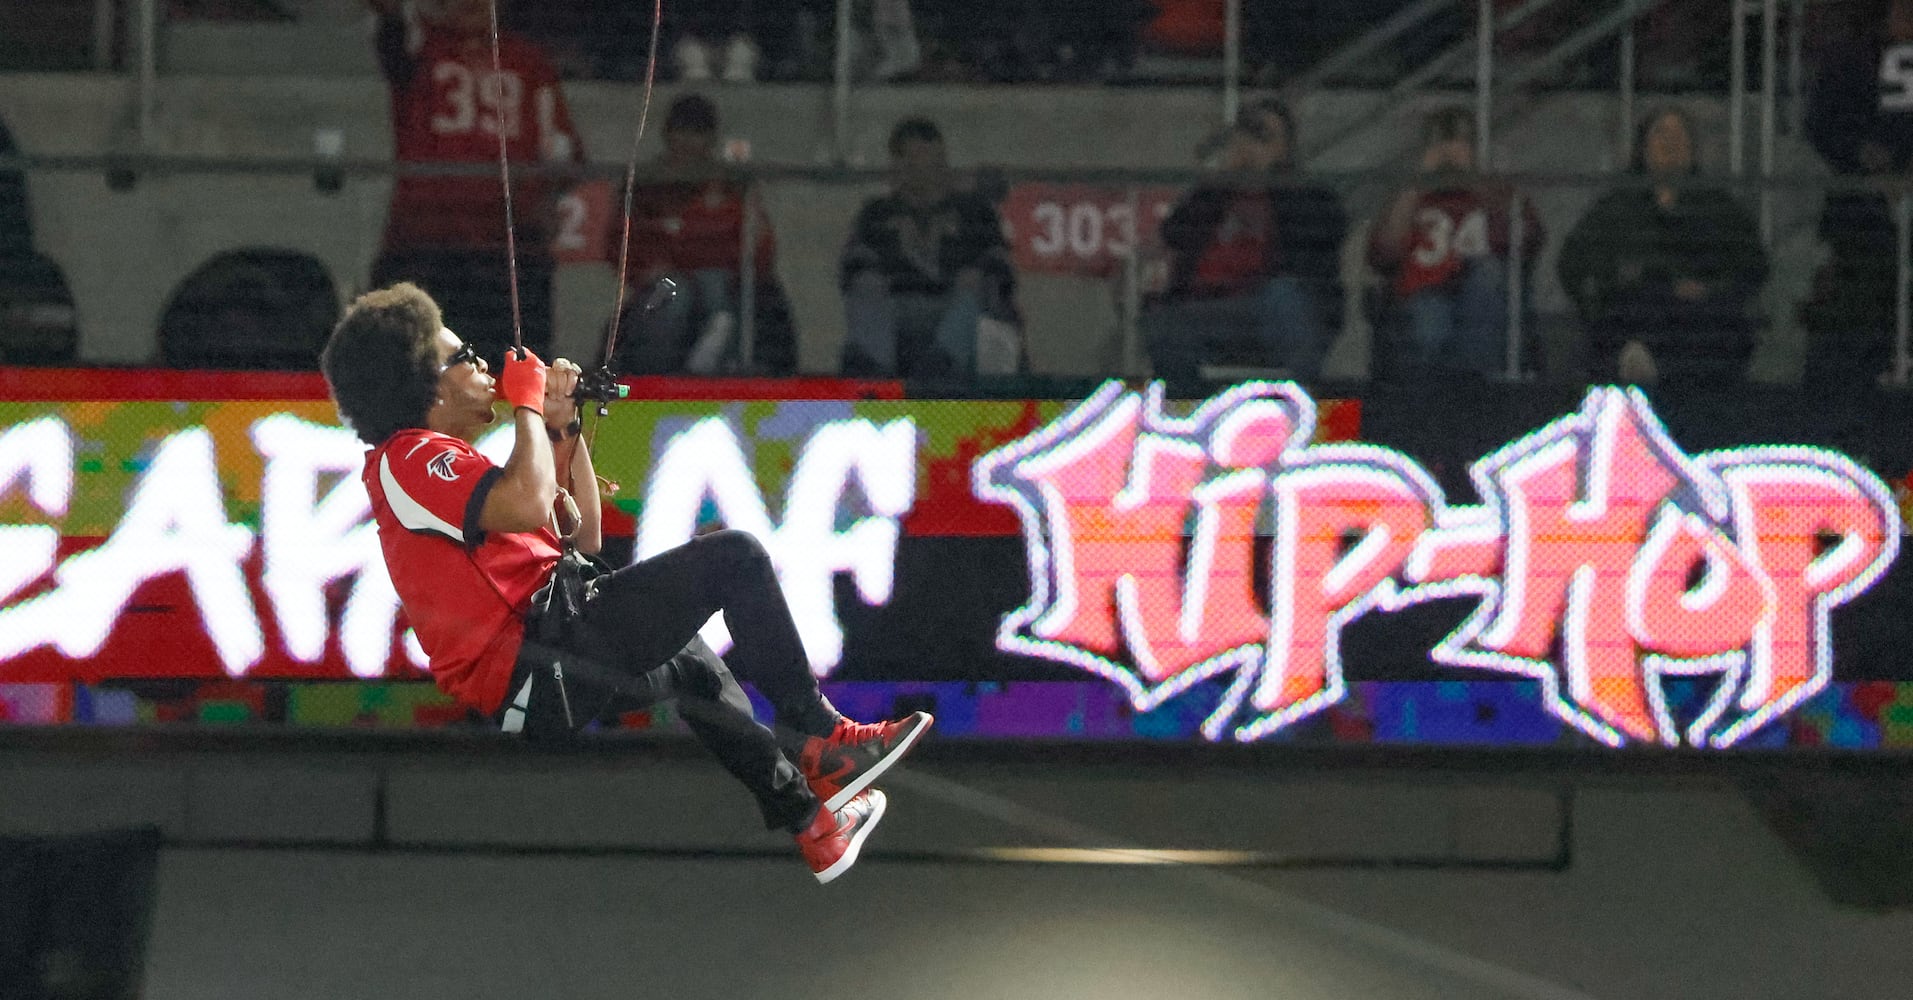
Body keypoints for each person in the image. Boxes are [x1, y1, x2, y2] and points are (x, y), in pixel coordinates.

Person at [319, 282, 932, 883]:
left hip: (553, 654)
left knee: (695, 664)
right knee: (736, 558)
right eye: (463, 357)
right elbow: (530, 499)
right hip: (538, 662)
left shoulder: (446, 466)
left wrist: (562, 427)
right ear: (423, 383)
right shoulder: (410, 456)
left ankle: (812, 823)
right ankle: (822, 736)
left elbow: (581, 539)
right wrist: (529, 406)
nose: (482, 365)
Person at [367, 0, 583, 365]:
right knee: (410, 363)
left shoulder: (528, 61)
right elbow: (390, 23)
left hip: (507, 246)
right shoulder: (421, 46)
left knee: (509, 368)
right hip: (424, 238)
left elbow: (563, 153)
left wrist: (544, 198)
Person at [1557, 109, 1767, 391]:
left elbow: (1753, 266)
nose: (1671, 143)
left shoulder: (1718, 208)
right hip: (1634, 315)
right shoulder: (1616, 207)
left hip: (1701, 322)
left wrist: (1709, 289)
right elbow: (1573, 263)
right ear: (1642, 148)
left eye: (1679, 136)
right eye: (1661, 134)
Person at [1143, 102, 1347, 386]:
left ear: (1285, 147)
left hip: (1270, 306)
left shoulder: (1307, 194)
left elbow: (1325, 233)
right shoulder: (1214, 192)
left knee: (1284, 298)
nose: (1254, 144)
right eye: (1249, 133)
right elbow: (1174, 233)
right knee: (1165, 326)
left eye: (1265, 136)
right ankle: (1188, 414)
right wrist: (1225, 177)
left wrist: (1274, 177)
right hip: (1212, 307)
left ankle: (1300, 405)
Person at [607, 94, 796, 375]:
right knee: (674, 290)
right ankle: (655, 381)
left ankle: (712, 372)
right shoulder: (645, 186)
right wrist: (657, 267)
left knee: (715, 285)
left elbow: (758, 250)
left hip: (721, 284)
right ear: (667, 135)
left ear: (710, 140)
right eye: (681, 132)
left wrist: (690, 251)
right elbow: (619, 247)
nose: (688, 143)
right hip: (656, 290)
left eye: (698, 134)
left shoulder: (732, 187)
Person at [1367, 108, 1543, 381]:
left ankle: (1473, 389)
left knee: (1488, 274)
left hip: (1484, 300)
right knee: (1430, 318)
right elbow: (1382, 255)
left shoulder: (1499, 193)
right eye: (1438, 142)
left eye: (1458, 141)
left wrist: (1475, 180)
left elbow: (1527, 241)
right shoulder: (1409, 198)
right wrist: (1417, 186)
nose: (1448, 151)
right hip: (1423, 294)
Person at [839, 117, 1016, 377]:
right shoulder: (876, 213)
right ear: (900, 164)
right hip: (898, 306)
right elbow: (852, 266)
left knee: (975, 293)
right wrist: (880, 277)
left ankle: (938, 373)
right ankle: (878, 382)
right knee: (866, 289)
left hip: (957, 308)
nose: (930, 170)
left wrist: (976, 276)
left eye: (936, 160)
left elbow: (1001, 267)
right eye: (918, 160)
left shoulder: (974, 211)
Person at [1799, 0, 1913, 393]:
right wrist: (1864, 158)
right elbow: (1821, 122)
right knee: (1860, 313)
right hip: (1861, 221)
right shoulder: (1854, 56)